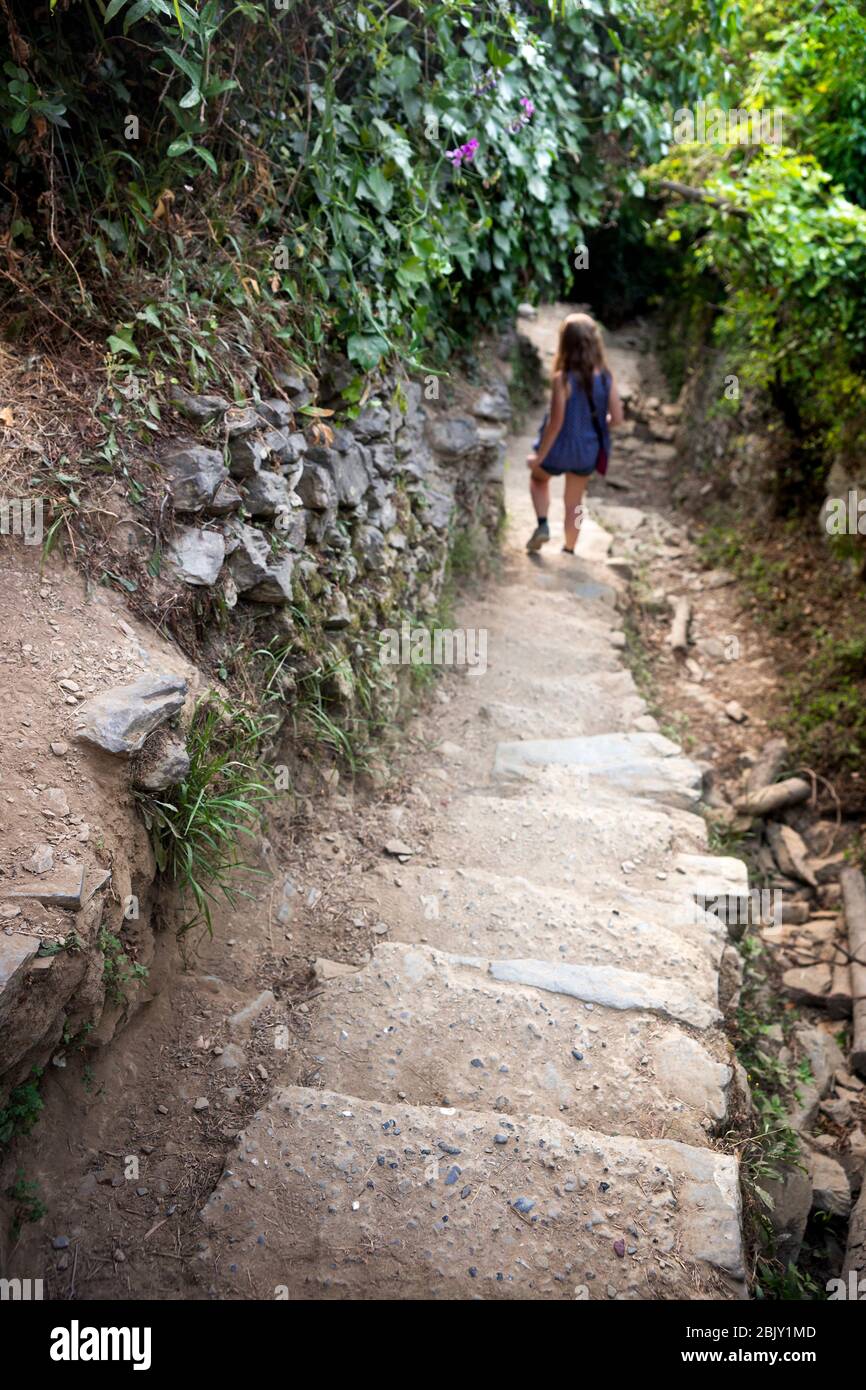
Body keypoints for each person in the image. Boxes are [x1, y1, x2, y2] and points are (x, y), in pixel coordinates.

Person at [526, 312, 624, 554]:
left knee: (538, 480)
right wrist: (598, 426)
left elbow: (556, 423)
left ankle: (542, 524)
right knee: (575, 504)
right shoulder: (606, 378)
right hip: (587, 451)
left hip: (559, 448)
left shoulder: (563, 379)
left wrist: (540, 456)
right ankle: (570, 547)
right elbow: (617, 419)